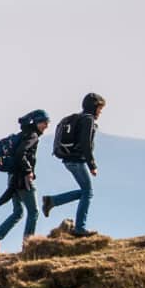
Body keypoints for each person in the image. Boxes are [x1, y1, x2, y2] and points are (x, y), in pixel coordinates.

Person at [0, 109, 49, 253]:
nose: (46, 126)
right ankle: (28, 246)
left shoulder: (23, 134)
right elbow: (21, 153)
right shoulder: (32, 136)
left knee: (18, 212)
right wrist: (28, 171)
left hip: (13, 177)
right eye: (44, 122)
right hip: (23, 179)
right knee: (34, 212)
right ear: (36, 122)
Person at [43, 93, 105, 237]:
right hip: (77, 160)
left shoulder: (78, 118)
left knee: (85, 192)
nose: (100, 112)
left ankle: (52, 201)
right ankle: (79, 229)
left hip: (68, 160)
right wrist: (92, 165)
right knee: (88, 192)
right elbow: (85, 144)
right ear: (94, 107)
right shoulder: (88, 120)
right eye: (100, 108)